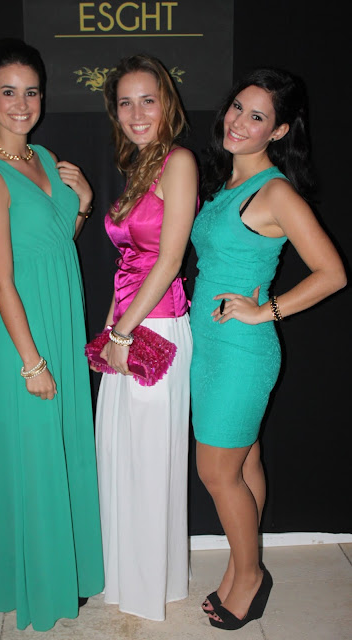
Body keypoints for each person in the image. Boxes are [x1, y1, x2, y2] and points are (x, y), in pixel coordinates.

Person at [189, 67, 346, 631]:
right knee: (244, 460)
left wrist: (265, 309)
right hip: (211, 346)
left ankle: (251, 577)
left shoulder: (275, 191)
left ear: (278, 131)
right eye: (237, 107)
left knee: (216, 471)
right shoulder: (226, 183)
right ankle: (240, 565)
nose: (238, 121)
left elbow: (332, 273)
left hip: (242, 352)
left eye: (257, 116)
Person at [0, 38, 104, 631]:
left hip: (60, 317)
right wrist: (31, 362)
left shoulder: (46, 158)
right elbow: (2, 280)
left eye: (31, 92)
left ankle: (66, 571)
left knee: (63, 448)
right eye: (8, 92)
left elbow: (53, 246)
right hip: (19, 335)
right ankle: (37, 583)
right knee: (33, 458)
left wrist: (84, 204)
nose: (21, 104)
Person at [94, 54, 198, 621]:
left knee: (149, 460)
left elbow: (170, 259)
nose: (136, 114)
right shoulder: (138, 164)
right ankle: (130, 575)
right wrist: (111, 328)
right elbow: (129, 260)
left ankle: (148, 583)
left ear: (167, 105)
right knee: (123, 455)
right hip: (130, 325)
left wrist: (124, 330)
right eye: (125, 103)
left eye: (148, 100)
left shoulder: (177, 161)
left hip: (155, 327)